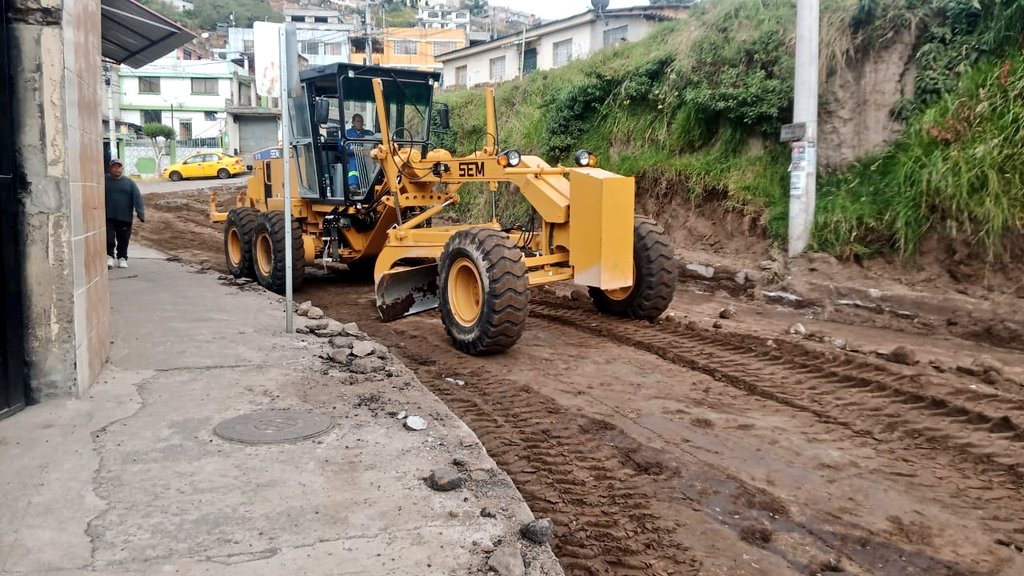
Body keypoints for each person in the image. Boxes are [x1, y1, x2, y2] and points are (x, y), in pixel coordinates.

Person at [104, 158, 145, 269]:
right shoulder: (103, 181)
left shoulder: (129, 183)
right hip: (108, 216)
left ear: (122, 169)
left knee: (123, 239)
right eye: (114, 166)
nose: (117, 169)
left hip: (124, 217)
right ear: (110, 168)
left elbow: (137, 198)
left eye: (119, 167)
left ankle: (122, 258)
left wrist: (140, 212)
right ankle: (109, 257)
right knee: (108, 238)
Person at [341, 114, 376, 189]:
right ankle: (353, 185)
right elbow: (340, 147)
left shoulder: (369, 133)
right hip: (351, 157)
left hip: (367, 157)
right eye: (358, 121)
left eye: (361, 121)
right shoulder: (346, 133)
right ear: (353, 122)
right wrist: (351, 150)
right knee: (355, 162)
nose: (360, 123)